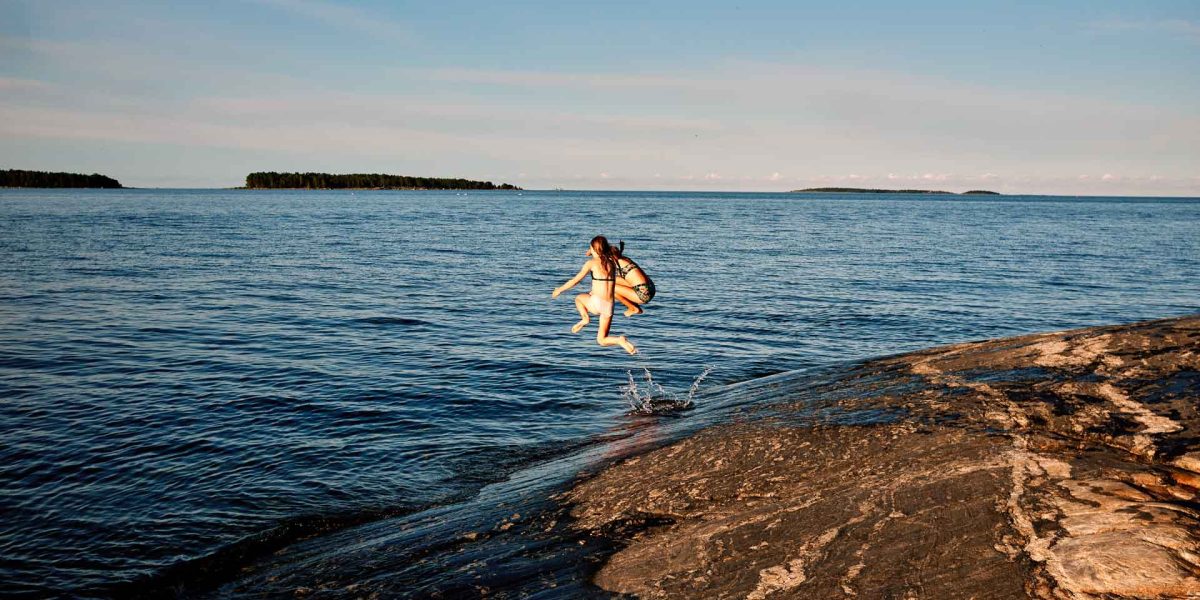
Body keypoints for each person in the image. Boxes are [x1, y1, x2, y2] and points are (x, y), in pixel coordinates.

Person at [552, 236, 638, 355]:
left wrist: (559, 290)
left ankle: (585, 318)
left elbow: (575, 281)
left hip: (596, 303)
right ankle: (619, 340)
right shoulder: (612, 262)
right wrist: (592, 251)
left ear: (593, 248)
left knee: (578, 298)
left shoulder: (591, 263)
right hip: (609, 306)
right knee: (601, 340)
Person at [610, 241, 656, 317]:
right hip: (651, 289)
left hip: (644, 295)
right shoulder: (625, 259)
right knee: (614, 281)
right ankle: (634, 306)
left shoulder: (619, 263)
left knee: (610, 287)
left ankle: (633, 308)